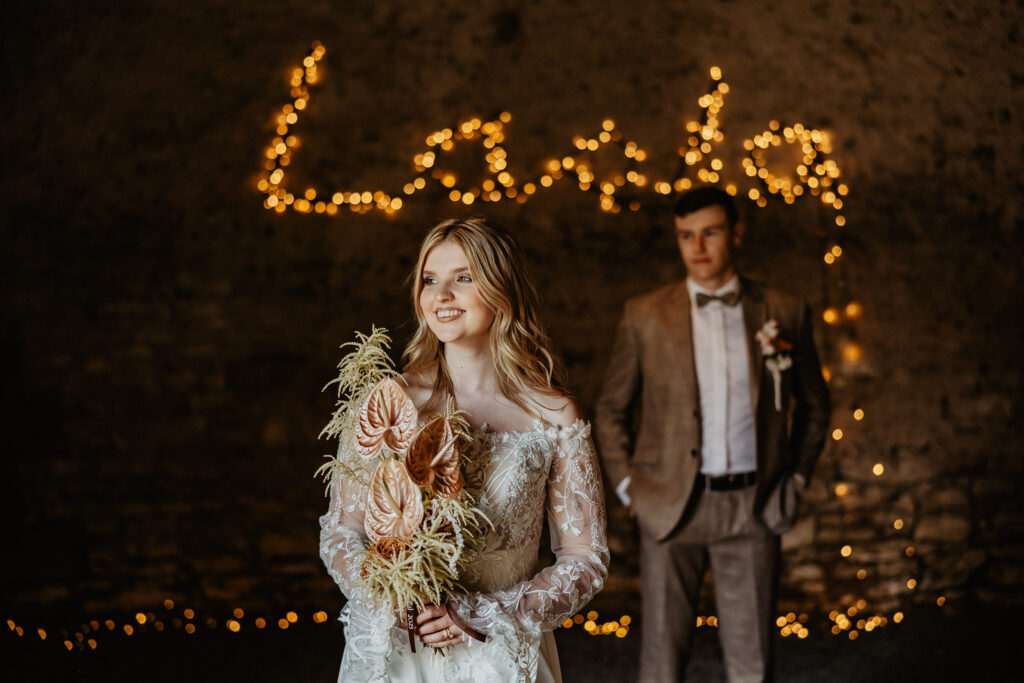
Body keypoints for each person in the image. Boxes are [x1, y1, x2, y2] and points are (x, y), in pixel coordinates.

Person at [319, 217, 609, 682]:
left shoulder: (554, 415)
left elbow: (585, 556)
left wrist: (489, 615)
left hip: (498, 653)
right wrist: (390, 596)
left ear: (502, 289)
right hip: (402, 651)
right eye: (430, 280)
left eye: (464, 278)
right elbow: (341, 531)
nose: (441, 296)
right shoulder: (391, 403)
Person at [595, 187, 830, 682]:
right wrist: (629, 489)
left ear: (736, 234)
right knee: (662, 662)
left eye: (710, 233)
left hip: (753, 503)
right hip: (670, 504)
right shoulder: (644, 315)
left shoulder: (783, 311)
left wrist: (798, 480)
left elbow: (814, 406)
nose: (697, 247)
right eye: (686, 236)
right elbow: (611, 409)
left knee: (753, 664)